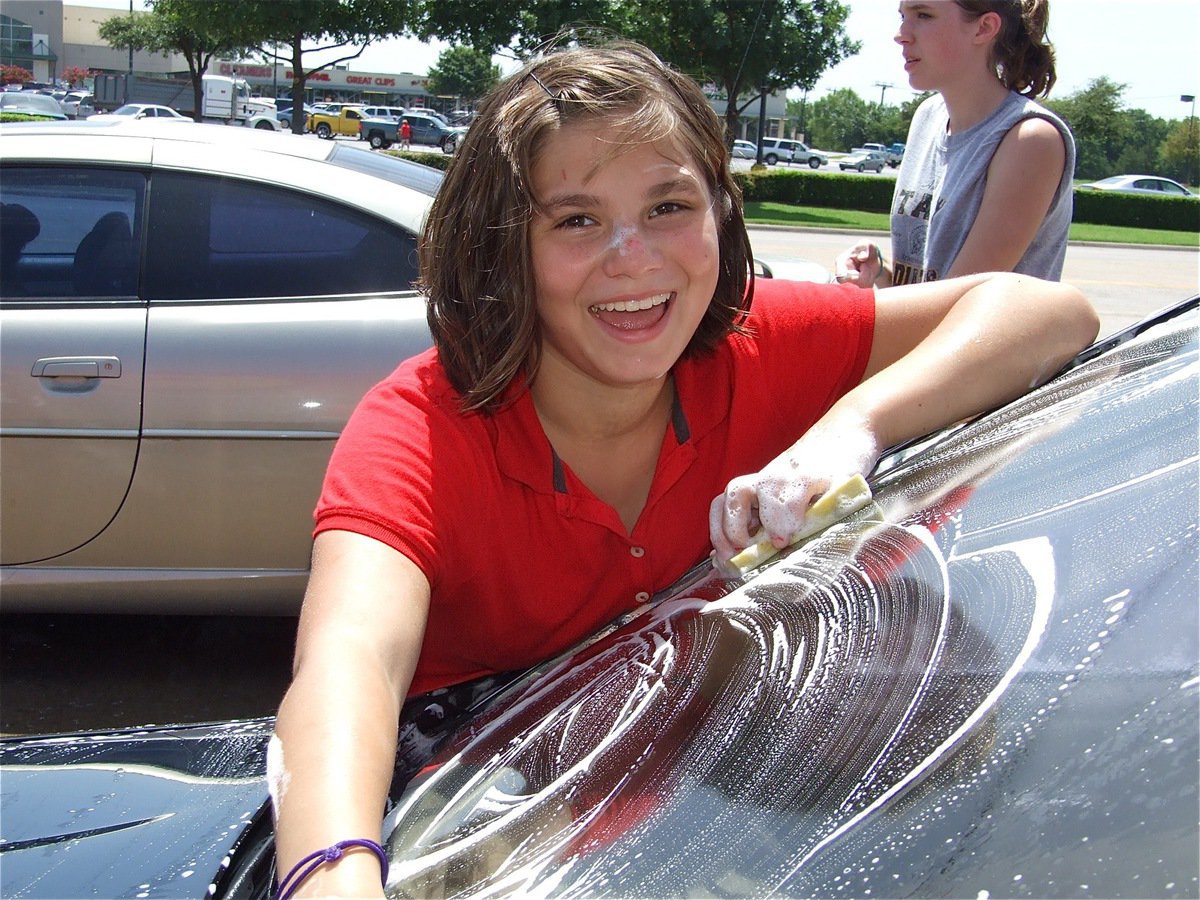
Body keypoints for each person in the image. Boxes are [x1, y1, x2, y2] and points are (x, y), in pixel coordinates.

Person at [270, 40, 1097, 898]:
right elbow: (348, 668)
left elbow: (1045, 310)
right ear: (500, 248)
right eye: (576, 219)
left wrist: (848, 430)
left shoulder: (754, 343)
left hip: (679, 842)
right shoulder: (422, 430)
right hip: (472, 838)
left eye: (669, 205)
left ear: (719, 216)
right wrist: (334, 875)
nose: (635, 257)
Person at [835, 0, 1075, 287]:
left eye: (923, 15)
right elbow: (923, 293)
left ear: (984, 28)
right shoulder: (928, 117)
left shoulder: (1030, 139)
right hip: (925, 330)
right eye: (903, 16)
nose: (901, 34)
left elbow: (957, 302)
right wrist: (878, 275)